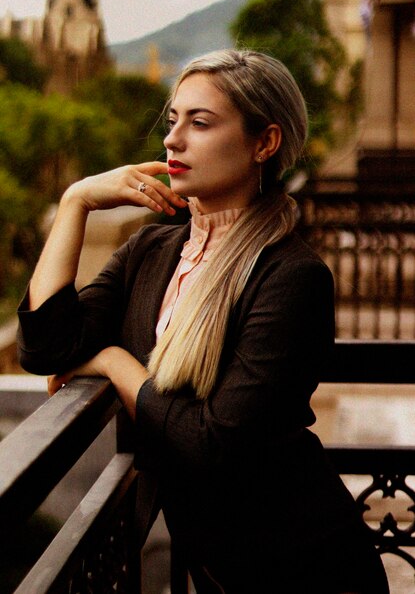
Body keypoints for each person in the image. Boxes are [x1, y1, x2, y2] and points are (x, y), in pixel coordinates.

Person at [17, 49, 389, 594]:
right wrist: (75, 202)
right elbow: (45, 347)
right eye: (173, 121)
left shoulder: (290, 276)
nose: (173, 140)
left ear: (265, 142)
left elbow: (210, 444)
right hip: (218, 567)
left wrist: (115, 362)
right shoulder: (151, 250)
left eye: (200, 122)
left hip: (304, 566)